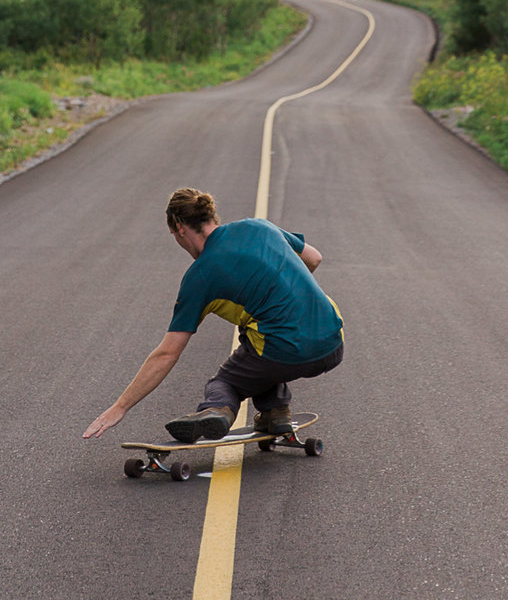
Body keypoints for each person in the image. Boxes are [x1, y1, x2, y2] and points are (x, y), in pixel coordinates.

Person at [81, 185, 344, 444]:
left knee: (226, 382)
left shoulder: (200, 276)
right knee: (254, 340)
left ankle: (217, 409)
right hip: (333, 340)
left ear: (180, 229)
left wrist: (120, 406)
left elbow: (167, 353)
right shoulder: (259, 227)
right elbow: (314, 258)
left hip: (286, 351)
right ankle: (275, 412)